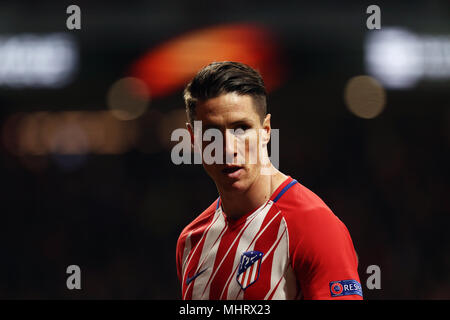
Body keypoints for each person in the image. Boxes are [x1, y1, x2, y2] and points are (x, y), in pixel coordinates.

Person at [176, 61, 362, 300]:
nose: (228, 148)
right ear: (193, 139)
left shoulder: (313, 226)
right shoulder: (191, 240)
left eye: (241, 128)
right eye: (211, 133)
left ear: (266, 131)